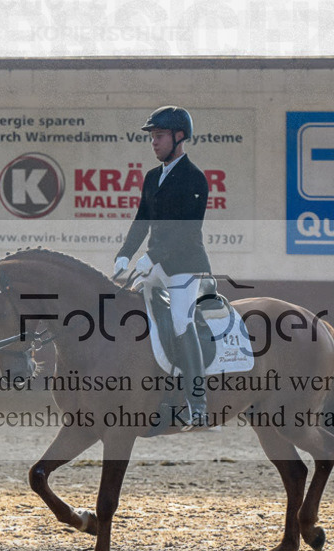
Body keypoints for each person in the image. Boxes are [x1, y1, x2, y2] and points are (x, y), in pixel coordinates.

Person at [114, 105, 211, 427]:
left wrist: (152, 258)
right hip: (156, 263)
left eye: (159, 136)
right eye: (152, 137)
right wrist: (125, 254)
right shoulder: (153, 177)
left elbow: (186, 231)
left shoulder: (195, 178)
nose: (153, 143)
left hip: (186, 265)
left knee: (182, 322)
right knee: (130, 308)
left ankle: (197, 402)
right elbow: (143, 219)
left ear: (179, 136)